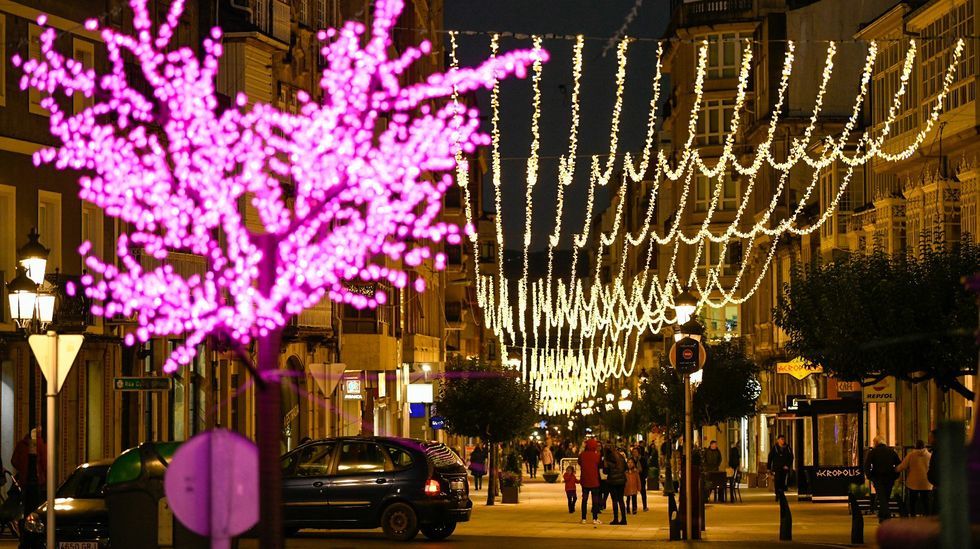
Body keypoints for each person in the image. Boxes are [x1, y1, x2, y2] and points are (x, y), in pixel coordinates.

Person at [864, 435, 901, 522]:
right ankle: (882, 516)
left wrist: (870, 476)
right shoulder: (891, 451)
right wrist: (895, 475)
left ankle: (886, 516)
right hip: (890, 477)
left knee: (881, 497)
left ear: (876, 443)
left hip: (878, 477)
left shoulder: (873, 452)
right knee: (886, 497)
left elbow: (867, 465)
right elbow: (898, 464)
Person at [896, 440, 932, 516]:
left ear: (915, 446)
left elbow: (903, 466)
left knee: (912, 502)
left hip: (913, 483)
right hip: (926, 482)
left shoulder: (911, 455)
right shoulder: (929, 456)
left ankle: (913, 516)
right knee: (926, 502)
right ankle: (927, 517)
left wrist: (896, 469)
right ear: (924, 446)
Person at [578, 439, 602, 525]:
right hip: (594, 480)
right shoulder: (597, 456)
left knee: (584, 499)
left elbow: (579, 462)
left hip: (585, 480)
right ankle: (595, 518)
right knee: (595, 500)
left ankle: (584, 518)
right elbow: (599, 465)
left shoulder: (582, 455)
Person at [604, 445, 628, 525]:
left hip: (613, 481)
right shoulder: (620, 456)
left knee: (614, 500)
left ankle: (616, 518)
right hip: (621, 481)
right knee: (621, 500)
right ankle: (624, 519)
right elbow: (626, 467)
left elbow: (605, 471)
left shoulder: (607, 459)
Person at [633, 446, 650, 511]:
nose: (634, 453)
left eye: (636, 452)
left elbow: (646, 468)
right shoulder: (632, 459)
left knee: (643, 492)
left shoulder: (643, 459)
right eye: (633, 452)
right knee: (634, 493)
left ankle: (645, 506)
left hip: (641, 477)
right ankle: (634, 507)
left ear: (638, 452)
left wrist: (645, 476)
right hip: (634, 478)